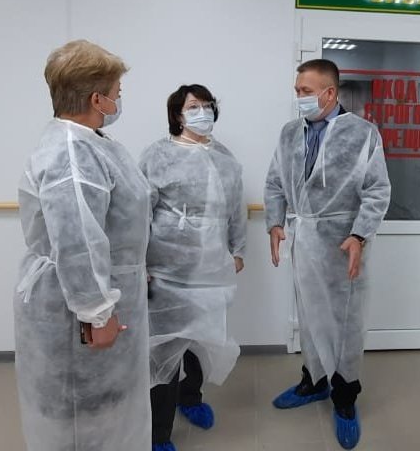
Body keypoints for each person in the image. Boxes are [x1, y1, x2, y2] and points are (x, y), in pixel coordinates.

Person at [14, 40, 152, 451]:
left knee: (105, 413)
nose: (118, 100)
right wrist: (96, 311)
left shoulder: (90, 143)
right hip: (78, 304)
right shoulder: (73, 154)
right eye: (117, 92)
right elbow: (77, 239)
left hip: (103, 292)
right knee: (81, 413)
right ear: (97, 98)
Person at [264, 59, 391, 450]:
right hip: (304, 240)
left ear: (330, 92)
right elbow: (275, 183)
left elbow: (376, 191)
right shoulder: (289, 133)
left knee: (345, 321)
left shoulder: (363, 134)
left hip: (341, 244)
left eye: (306, 91)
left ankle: (345, 395)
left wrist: (359, 235)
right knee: (309, 314)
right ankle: (315, 380)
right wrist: (275, 223)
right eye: (297, 90)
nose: (299, 97)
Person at [139, 84, 246, 451]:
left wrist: (238, 249)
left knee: (201, 341)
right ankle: (159, 433)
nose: (203, 112)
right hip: (166, 272)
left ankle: (192, 398)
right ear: (178, 115)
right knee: (164, 351)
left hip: (210, 269)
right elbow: (140, 214)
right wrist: (140, 262)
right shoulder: (157, 156)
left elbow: (236, 208)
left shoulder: (225, 158)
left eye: (208, 105)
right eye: (194, 106)